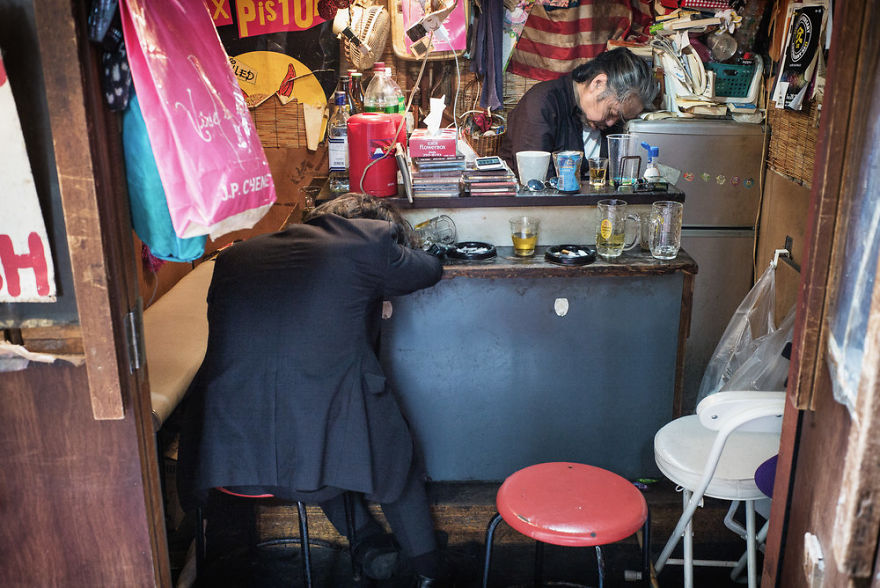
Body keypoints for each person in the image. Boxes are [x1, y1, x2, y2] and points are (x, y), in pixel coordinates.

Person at [177, 193, 454, 585]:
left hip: (225, 455)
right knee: (391, 456)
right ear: (371, 226)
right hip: (309, 455)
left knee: (321, 441)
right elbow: (429, 270)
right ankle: (428, 572)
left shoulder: (235, 256)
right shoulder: (366, 243)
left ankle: (369, 546)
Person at [499, 47, 658, 177]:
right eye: (611, 112)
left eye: (621, 119)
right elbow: (535, 186)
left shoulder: (611, 123)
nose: (611, 123)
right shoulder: (542, 104)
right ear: (598, 83)